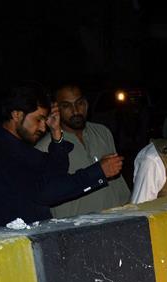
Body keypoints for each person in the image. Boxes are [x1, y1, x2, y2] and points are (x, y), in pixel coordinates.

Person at [0, 84, 121, 227]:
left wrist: (56, 133)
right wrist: (98, 171)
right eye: (38, 119)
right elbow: (48, 191)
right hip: (17, 241)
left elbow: (55, 173)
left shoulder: (20, 147)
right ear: (16, 114)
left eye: (45, 121)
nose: (43, 128)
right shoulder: (3, 150)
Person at [36, 83, 130, 217]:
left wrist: (128, 207)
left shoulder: (102, 132)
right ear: (55, 110)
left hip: (115, 220)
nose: (75, 111)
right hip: (77, 229)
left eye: (79, 103)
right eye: (66, 106)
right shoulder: (45, 147)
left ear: (86, 104)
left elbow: (117, 181)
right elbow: (51, 194)